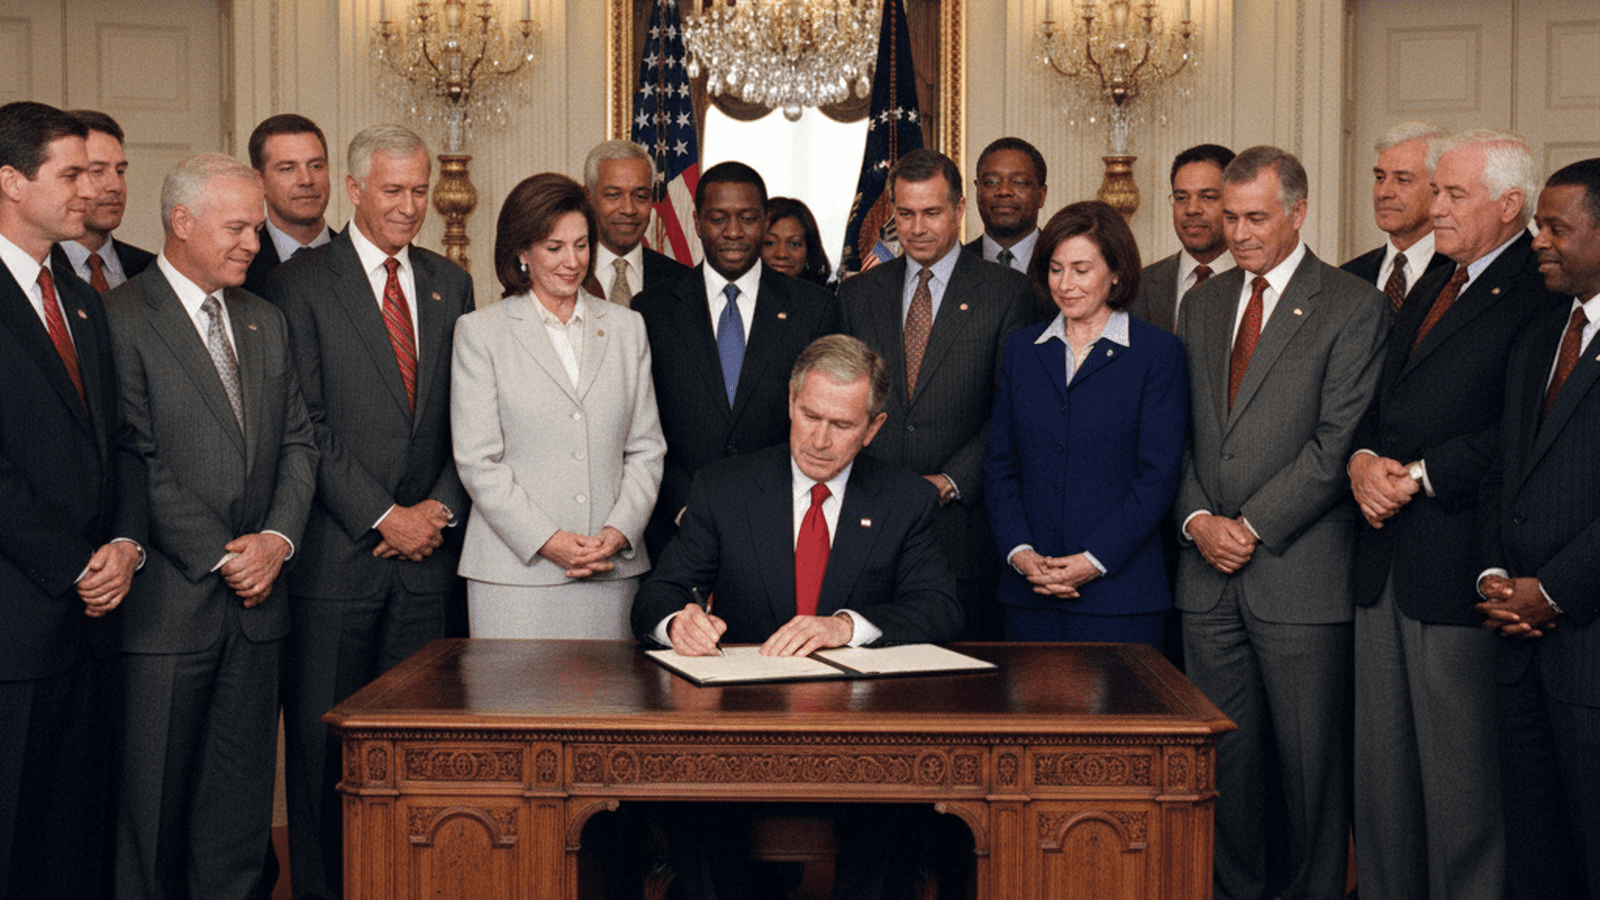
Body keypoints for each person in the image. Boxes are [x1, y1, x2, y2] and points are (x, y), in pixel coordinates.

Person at [1347, 128, 1559, 900]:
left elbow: (1524, 428)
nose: (1434, 206)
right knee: (1385, 785)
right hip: (1382, 565)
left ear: (1510, 207)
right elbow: (1381, 400)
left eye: (1453, 194)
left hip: (1460, 564)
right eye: (1436, 191)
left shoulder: (1541, 291)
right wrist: (1363, 462)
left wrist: (1420, 477)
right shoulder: (1438, 275)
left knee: (1461, 788)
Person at [265, 123, 475, 900]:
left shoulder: (450, 282)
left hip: (430, 565)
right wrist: (385, 514)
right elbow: (304, 422)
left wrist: (437, 512)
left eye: (420, 190)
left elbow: (468, 419)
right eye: (393, 190)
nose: (410, 206)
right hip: (337, 564)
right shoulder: (299, 283)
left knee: (420, 755)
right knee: (327, 762)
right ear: (354, 190)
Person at [1174, 146, 1386, 900]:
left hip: (1298, 577)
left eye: (1255, 217)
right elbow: (1188, 434)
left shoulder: (1353, 304)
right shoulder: (1200, 302)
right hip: (1206, 578)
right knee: (1225, 770)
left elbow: (1337, 446)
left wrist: (1251, 526)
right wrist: (1200, 518)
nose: (1237, 232)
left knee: (1309, 775)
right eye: (1228, 217)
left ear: (1299, 212)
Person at [105, 152, 317, 900]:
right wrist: (226, 557)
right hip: (169, 609)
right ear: (181, 222)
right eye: (237, 228)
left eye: (257, 229)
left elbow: (298, 442)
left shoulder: (266, 319)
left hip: (260, 610)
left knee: (237, 819)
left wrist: (277, 542)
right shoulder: (121, 317)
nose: (253, 245)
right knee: (153, 815)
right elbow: (137, 456)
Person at [0, 99, 144, 900]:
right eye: (72, 173)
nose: (90, 187)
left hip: (97, 620)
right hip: (19, 622)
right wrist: (74, 564)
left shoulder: (84, 295)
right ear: (12, 183)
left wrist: (124, 547)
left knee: (78, 840)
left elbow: (119, 440)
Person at [634, 333, 962, 652]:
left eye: (842, 425)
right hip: (749, 695)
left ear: (872, 428)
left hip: (855, 698)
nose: (819, 441)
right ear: (792, 401)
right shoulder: (724, 489)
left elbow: (939, 609)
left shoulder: (906, 499)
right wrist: (678, 622)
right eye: (810, 416)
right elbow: (659, 593)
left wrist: (846, 627)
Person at [452, 173, 664, 639]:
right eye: (554, 248)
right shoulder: (481, 332)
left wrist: (621, 529)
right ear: (521, 253)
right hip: (514, 575)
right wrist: (548, 541)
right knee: (518, 711)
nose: (572, 262)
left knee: (611, 711)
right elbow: (477, 460)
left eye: (582, 245)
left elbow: (646, 448)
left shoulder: (629, 328)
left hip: (611, 568)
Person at [839, 148, 1033, 641]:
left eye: (932, 213)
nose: (918, 227)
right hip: (870, 521)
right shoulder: (860, 293)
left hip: (963, 527)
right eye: (905, 214)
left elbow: (1013, 410)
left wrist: (949, 480)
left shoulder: (1007, 292)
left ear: (960, 209)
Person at [1476, 156, 1600, 900]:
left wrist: (1550, 591)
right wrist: (1493, 575)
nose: (1539, 243)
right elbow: (1503, 473)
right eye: (1538, 227)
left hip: (1587, 646)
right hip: (1518, 649)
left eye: (1557, 227)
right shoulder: (1541, 335)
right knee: (1534, 854)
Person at [984, 200, 1187, 647]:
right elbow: (1001, 467)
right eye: (1056, 269)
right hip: (1028, 594)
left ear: (1116, 272)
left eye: (1081, 269)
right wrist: (1020, 554)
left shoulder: (1157, 354)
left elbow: (1157, 477)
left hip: (1121, 597)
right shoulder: (1023, 350)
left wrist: (1093, 560)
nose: (1065, 284)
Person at [632, 161, 839, 560]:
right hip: (676, 528)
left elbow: (823, 422)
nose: (732, 232)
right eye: (718, 218)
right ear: (695, 220)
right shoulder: (651, 310)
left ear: (763, 222)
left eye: (747, 218)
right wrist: (684, 504)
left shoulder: (814, 309)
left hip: (782, 527)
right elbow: (639, 425)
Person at [1341, 121, 1453, 319]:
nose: (1383, 192)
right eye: (1380, 177)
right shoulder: (1347, 276)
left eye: (1403, 180)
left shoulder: (1459, 274)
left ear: (1438, 188)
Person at [1130, 143, 1236, 334]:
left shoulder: (1258, 283)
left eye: (1208, 197)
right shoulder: (1139, 287)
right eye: (1181, 198)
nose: (1191, 209)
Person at [49, 109, 156, 294]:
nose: (116, 186)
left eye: (120, 171)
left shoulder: (150, 269)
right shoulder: (37, 269)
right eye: (97, 171)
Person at [581, 139, 689, 306]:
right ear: (589, 198)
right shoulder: (566, 273)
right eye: (613, 195)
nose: (629, 209)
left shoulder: (682, 281)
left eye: (640, 197)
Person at [243, 113, 335, 296]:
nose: (306, 180)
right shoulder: (240, 266)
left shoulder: (361, 258)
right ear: (259, 181)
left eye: (316, 166)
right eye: (288, 169)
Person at [965, 136, 1048, 273]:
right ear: (978, 190)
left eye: (1019, 182)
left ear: (1041, 195)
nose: (1004, 191)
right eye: (991, 182)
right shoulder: (953, 266)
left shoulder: (1063, 260)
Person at [761, 195, 832, 287]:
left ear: (809, 250)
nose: (782, 254)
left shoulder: (825, 299)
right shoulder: (738, 296)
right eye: (770, 243)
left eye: (794, 244)